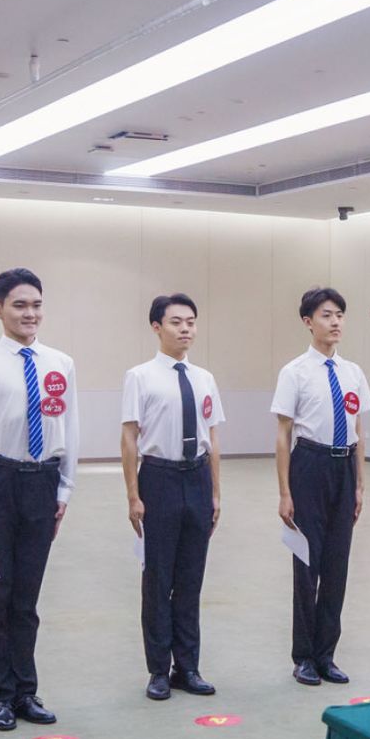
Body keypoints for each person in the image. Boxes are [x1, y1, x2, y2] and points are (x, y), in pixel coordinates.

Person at [0, 268, 74, 731]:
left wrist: (65, 488)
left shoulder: (60, 363)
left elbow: (70, 428)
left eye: (36, 305)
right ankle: (0, 696)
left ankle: (26, 691)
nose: (30, 314)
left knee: (27, 596)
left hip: (42, 481)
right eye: (20, 305)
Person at [125, 293, 224, 701]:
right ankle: (158, 670)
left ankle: (188, 666)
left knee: (190, 579)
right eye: (176, 322)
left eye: (191, 322)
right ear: (157, 327)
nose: (185, 329)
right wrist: (133, 495)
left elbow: (212, 437)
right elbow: (129, 438)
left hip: (196, 477)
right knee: (158, 579)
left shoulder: (204, 378)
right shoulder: (140, 376)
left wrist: (215, 492)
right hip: (159, 478)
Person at [272, 287, 370, 686]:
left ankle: (326, 654)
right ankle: (304, 657)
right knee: (307, 566)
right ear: (308, 321)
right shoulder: (294, 372)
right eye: (327, 315)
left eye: (340, 315)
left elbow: (359, 428)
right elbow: (283, 434)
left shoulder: (353, 372)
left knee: (336, 565)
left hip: (343, 467)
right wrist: (285, 492)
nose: (335, 322)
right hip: (309, 466)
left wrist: (360, 483)